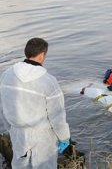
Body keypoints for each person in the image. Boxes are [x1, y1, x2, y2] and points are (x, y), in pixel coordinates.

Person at [0, 38, 70, 168]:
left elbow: (3, 107)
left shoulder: (6, 75)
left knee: (19, 165)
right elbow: (57, 115)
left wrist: (11, 129)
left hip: (18, 131)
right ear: (43, 54)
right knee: (45, 166)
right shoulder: (48, 81)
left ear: (26, 52)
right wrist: (64, 137)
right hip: (42, 135)